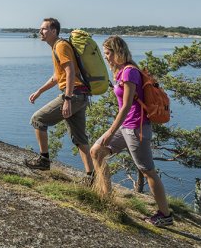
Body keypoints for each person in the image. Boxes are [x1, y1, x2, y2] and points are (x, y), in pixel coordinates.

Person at [90, 35, 173, 227]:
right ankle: (106, 197)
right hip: (126, 127)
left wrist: (111, 131)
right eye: (104, 54)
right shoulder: (120, 73)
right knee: (96, 151)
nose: (106, 57)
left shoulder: (129, 72)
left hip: (136, 128)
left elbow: (126, 106)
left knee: (148, 171)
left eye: (108, 53)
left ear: (118, 52)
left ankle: (165, 215)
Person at [24, 18, 95, 185]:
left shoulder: (61, 46)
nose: (40, 32)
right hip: (81, 96)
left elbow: (70, 72)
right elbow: (58, 76)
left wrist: (67, 99)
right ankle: (91, 177)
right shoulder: (57, 47)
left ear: (54, 31)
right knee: (80, 139)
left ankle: (44, 160)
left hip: (74, 95)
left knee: (37, 119)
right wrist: (39, 91)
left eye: (44, 29)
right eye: (40, 29)